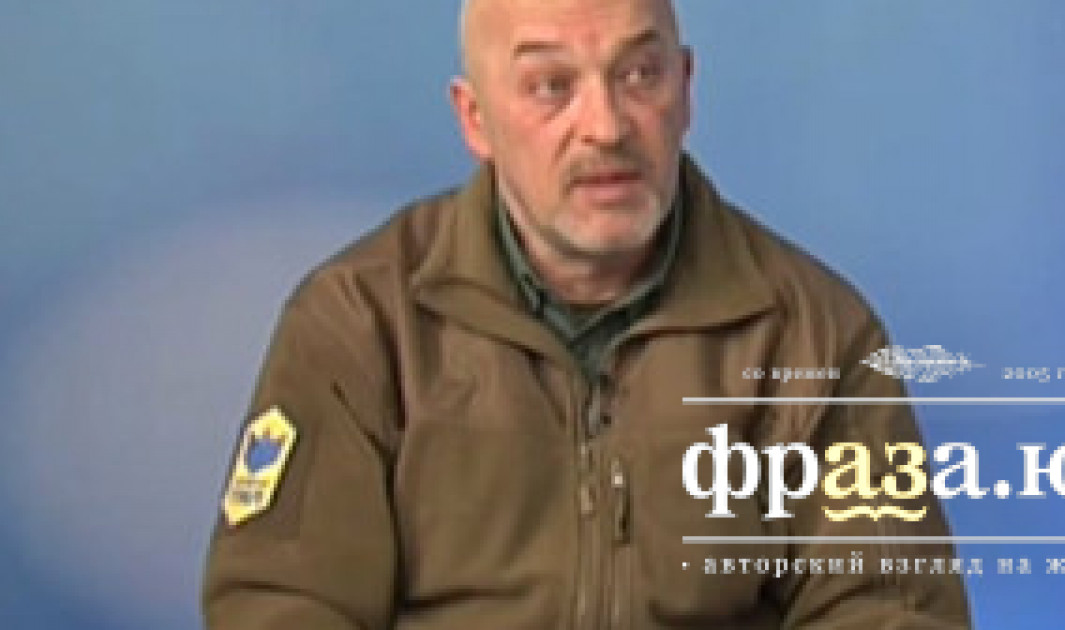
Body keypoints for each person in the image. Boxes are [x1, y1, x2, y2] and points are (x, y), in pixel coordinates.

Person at [202, 0, 972, 627]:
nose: (606, 126)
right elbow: (281, 604)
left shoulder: (814, 334)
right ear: (475, 118)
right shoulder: (359, 324)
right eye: (551, 86)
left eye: (640, 75)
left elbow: (891, 609)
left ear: (686, 88)